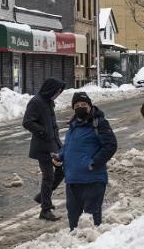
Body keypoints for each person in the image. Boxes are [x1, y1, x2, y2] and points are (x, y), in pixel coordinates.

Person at [57, 92, 118, 230]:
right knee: (74, 223)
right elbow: (68, 147)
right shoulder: (73, 125)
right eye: (77, 105)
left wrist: (94, 162)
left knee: (91, 224)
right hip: (72, 181)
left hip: (92, 180)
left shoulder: (99, 123)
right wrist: (60, 156)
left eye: (84, 105)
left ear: (90, 106)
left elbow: (111, 145)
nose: (80, 107)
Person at [23, 77, 66, 221]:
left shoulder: (48, 101)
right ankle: (45, 210)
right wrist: (43, 131)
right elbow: (27, 122)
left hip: (53, 144)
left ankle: (42, 197)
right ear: (50, 89)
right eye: (57, 91)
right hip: (42, 147)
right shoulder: (36, 102)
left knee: (62, 170)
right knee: (48, 176)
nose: (58, 94)